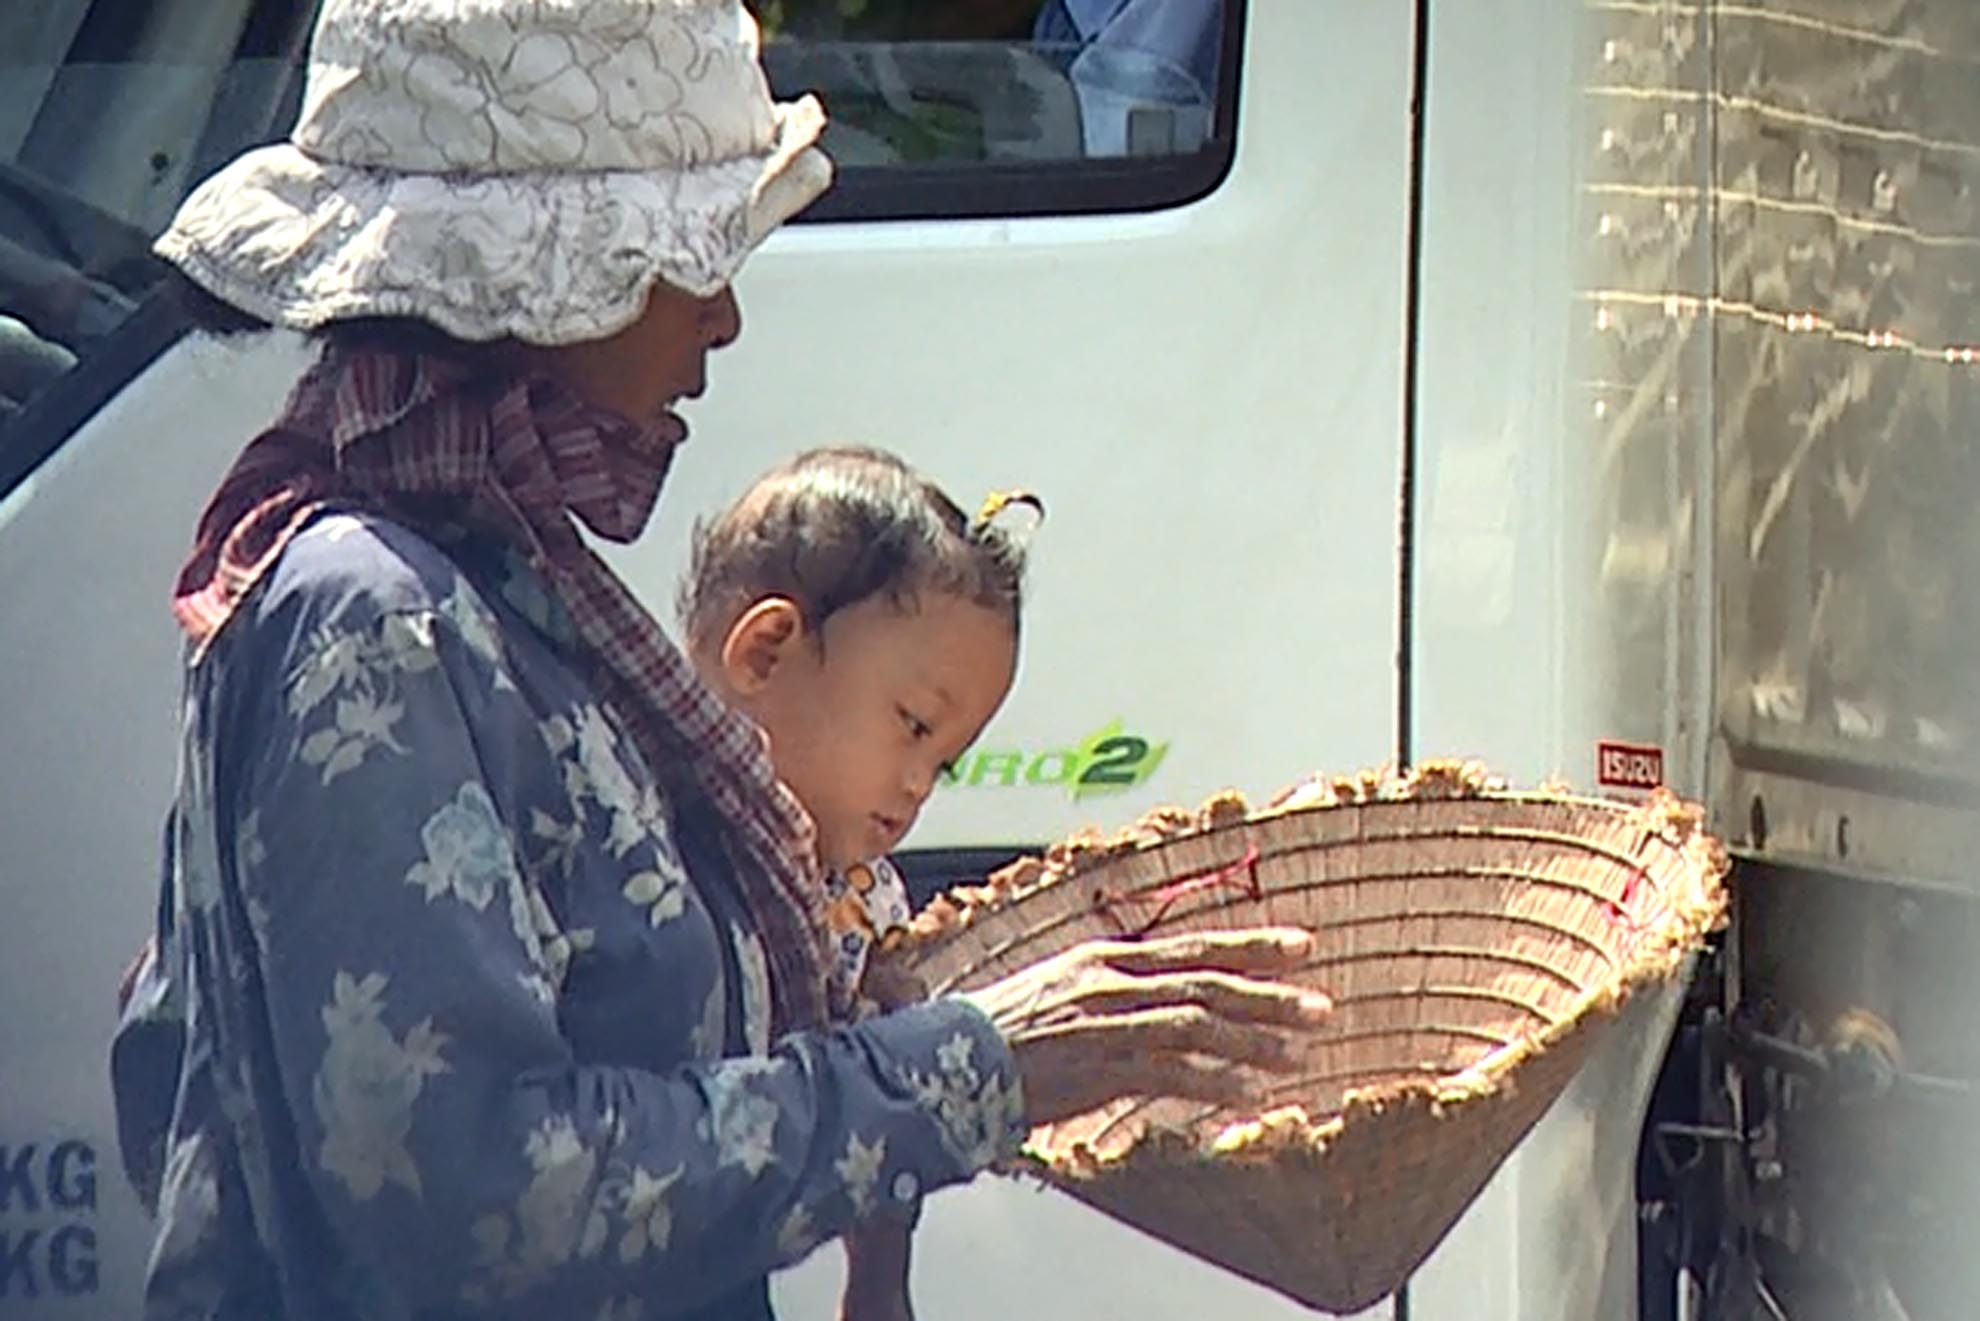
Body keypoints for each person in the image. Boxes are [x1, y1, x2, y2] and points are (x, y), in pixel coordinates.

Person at [109, 3, 1332, 1319]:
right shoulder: (371, 619)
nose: (726, 318)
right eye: (690, 260)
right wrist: (959, 1073)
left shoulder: (496, 592)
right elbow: (475, 1203)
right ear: (548, 284)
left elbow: (168, 1054)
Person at [677, 446, 1041, 1317]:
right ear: (765, 653)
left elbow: (872, 1130)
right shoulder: (634, 851)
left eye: (943, 763)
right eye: (913, 726)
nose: (918, 785)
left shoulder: (858, 905)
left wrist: (879, 1278)